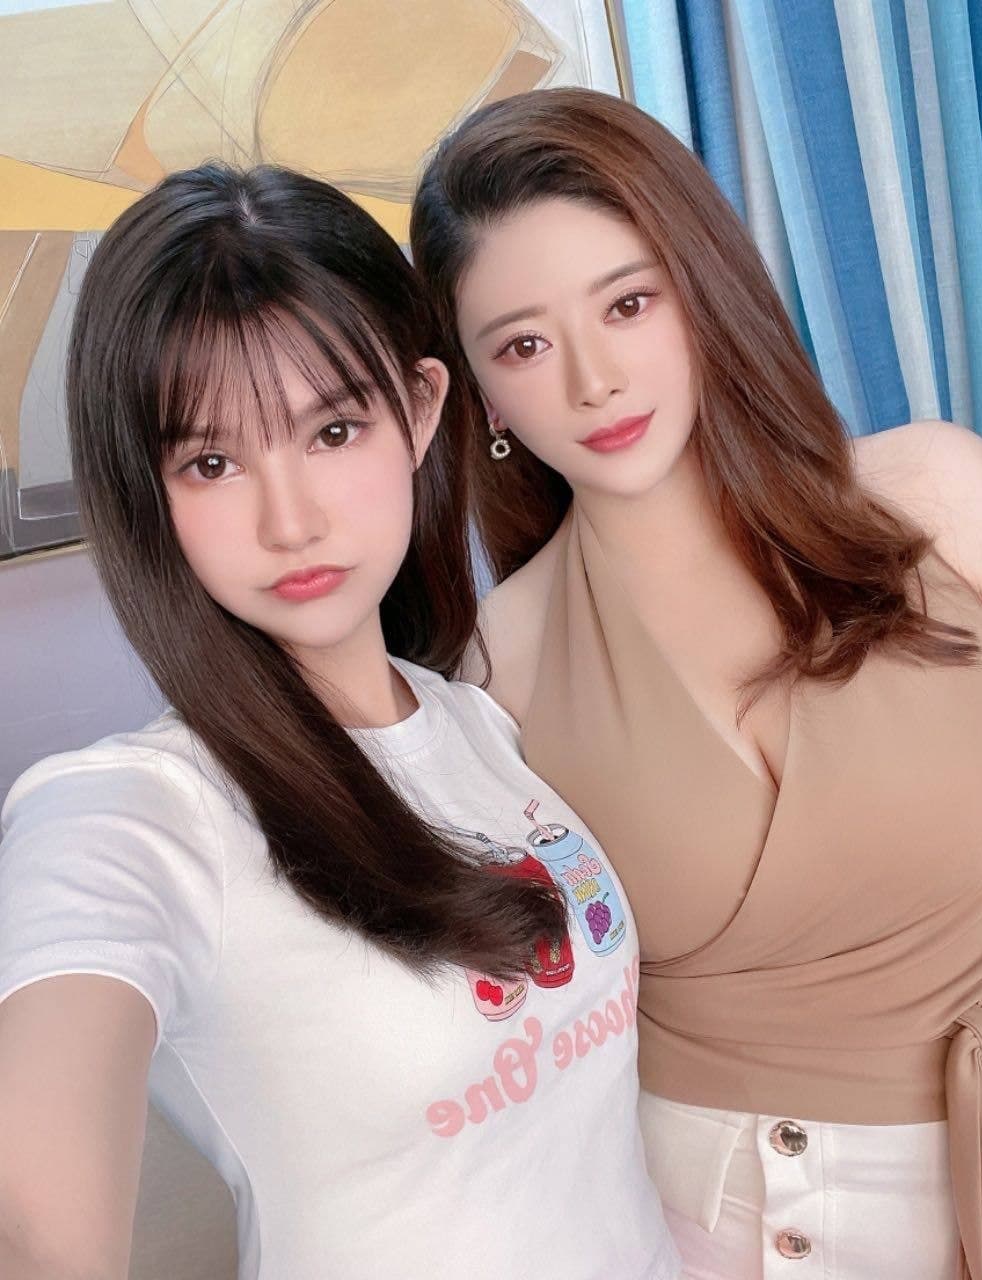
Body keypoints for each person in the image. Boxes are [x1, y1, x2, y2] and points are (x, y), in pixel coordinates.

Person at [0, 163, 679, 1280]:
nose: (291, 519)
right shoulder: (133, 811)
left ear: (419, 409)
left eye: (332, 430)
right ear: (143, 489)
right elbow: (38, 1227)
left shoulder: (480, 721)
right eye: (212, 461)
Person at [410, 86, 982, 1279]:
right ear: (480, 394)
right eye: (522, 344)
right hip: (713, 1213)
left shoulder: (932, 496)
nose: (593, 380)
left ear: (702, 288)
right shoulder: (496, 668)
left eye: (627, 302)